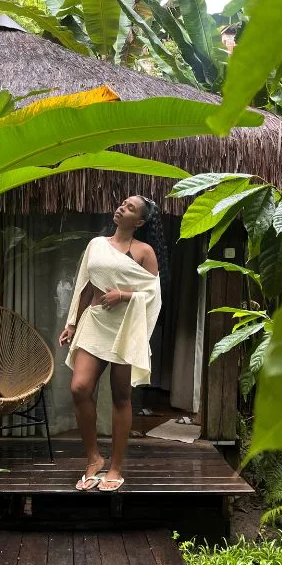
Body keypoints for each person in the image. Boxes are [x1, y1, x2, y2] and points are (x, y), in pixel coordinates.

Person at [58, 195, 166, 492]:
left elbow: (153, 295)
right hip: (95, 323)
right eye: (122, 204)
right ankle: (94, 458)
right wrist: (72, 323)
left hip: (126, 328)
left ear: (139, 222)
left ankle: (116, 467)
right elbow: (85, 285)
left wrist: (123, 295)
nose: (121, 208)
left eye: (130, 208)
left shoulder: (145, 252)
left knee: (120, 396)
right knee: (79, 388)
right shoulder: (96, 245)